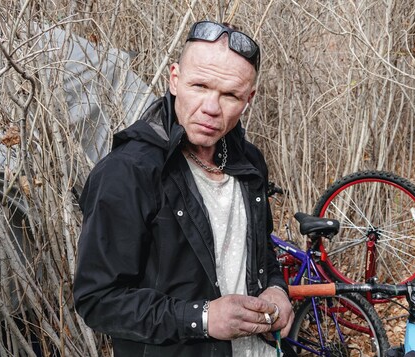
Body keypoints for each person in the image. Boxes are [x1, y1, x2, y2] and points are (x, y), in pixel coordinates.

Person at [73, 20, 294, 356]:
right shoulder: (128, 172)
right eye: (200, 85)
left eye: (230, 95)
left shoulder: (249, 163)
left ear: (249, 99)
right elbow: (98, 300)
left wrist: (277, 290)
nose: (211, 107)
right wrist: (203, 318)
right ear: (175, 79)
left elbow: (260, 251)